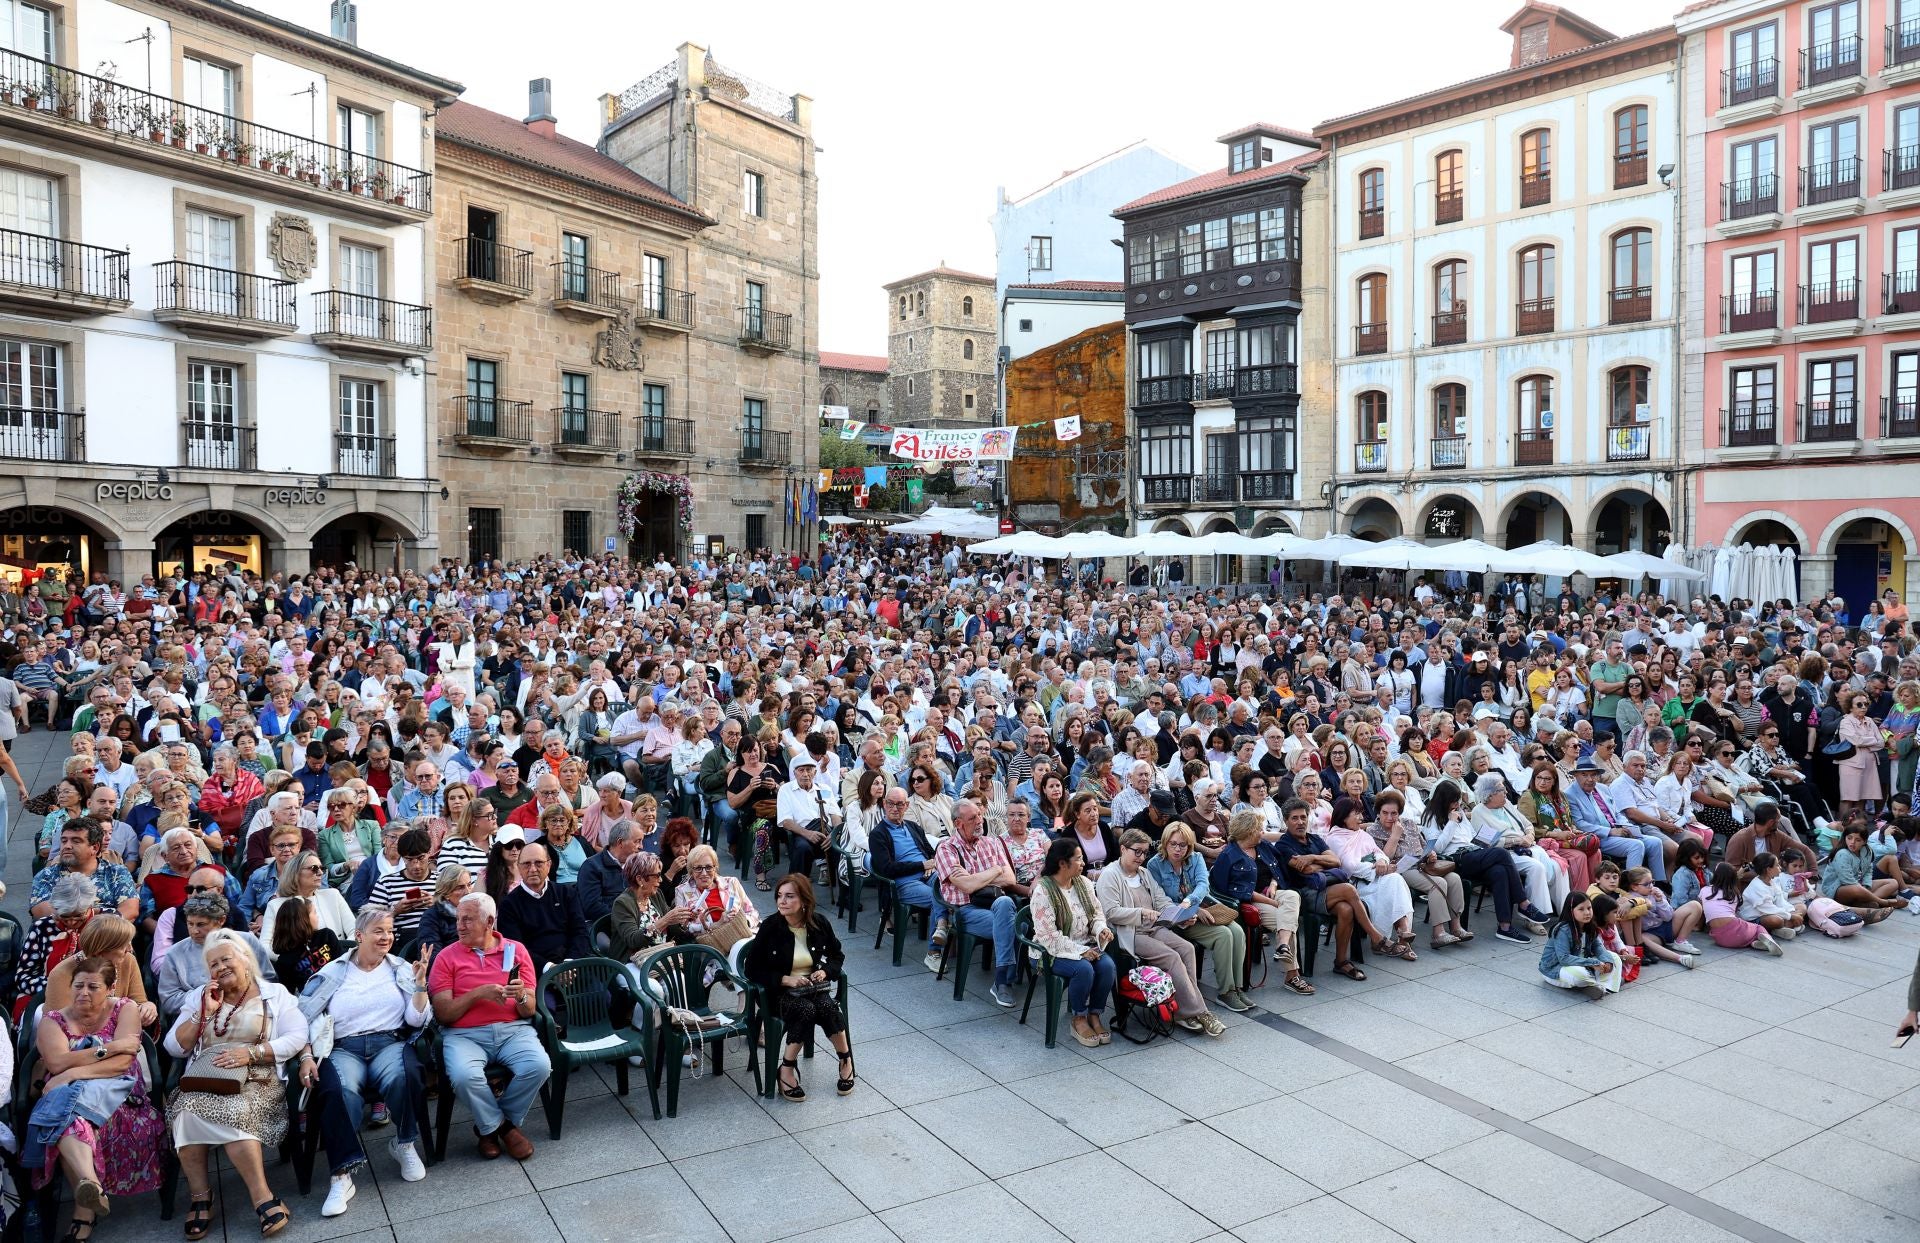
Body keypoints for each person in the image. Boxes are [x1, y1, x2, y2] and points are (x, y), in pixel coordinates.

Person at [163, 929, 307, 1239]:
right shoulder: (200, 997)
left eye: (226, 959)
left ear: (245, 958)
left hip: (258, 1079)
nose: (220, 968)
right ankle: (201, 1196)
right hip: (205, 1080)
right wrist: (203, 1014)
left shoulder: (275, 993)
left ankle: (261, 1196)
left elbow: (297, 1037)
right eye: (213, 964)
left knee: (235, 1109)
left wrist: (252, 1053)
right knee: (184, 1113)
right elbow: (174, 1047)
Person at [296, 906, 431, 1217]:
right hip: (344, 1047)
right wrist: (305, 1056)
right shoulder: (332, 972)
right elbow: (301, 1018)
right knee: (338, 1091)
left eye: (389, 930)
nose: (386, 937)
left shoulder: (400, 968)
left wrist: (421, 985)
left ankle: (404, 1143)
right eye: (378, 931)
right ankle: (341, 1174)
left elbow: (414, 1019)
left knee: (406, 1074)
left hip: (389, 1041)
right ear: (359, 936)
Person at [25, 955, 168, 1243]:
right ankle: (90, 1186)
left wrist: (71, 1072)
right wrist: (110, 1047)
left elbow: (122, 1065)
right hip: (71, 1099)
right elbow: (55, 1063)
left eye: (93, 987)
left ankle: (84, 1209)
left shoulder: (125, 1008)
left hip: (121, 1097)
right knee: (71, 1121)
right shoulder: (52, 1020)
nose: (83, 993)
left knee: (66, 1121)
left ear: (110, 988)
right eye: (78, 986)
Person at [426, 892, 552, 1161]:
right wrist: (477, 994)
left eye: (468, 920)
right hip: (464, 1035)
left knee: (539, 1066)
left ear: (490, 921)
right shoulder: (446, 958)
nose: (459, 925)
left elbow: (529, 1010)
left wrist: (520, 996)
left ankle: (487, 1128)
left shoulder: (515, 950)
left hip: (513, 1031)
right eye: (458, 919)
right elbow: (443, 1014)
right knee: (463, 1076)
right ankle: (505, 1128)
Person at [1096, 828, 1225, 1036]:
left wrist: (1180, 916)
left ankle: (1185, 1009)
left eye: (1145, 852)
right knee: (1171, 956)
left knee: (1186, 948)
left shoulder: (1144, 874)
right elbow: (1110, 913)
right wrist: (1142, 913)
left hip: (1153, 928)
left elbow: (1161, 900)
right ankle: (1200, 1012)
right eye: (1136, 851)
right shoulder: (1110, 876)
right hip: (1129, 934)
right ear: (1122, 849)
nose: (1141, 857)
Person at [742, 874, 855, 1101]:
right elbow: (752, 969)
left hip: (812, 988)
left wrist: (825, 972)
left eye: (789, 896)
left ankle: (845, 1059)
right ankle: (786, 1068)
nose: (782, 901)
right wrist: (785, 979)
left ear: (804, 901)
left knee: (828, 1007)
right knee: (806, 1010)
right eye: (779, 896)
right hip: (779, 994)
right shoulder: (771, 927)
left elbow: (836, 955)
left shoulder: (819, 923)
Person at [1145, 823, 1248, 1009]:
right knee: (1223, 935)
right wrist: (1191, 909)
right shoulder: (1155, 865)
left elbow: (1203, 885)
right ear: (1165, 843)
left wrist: (1191, 904)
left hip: (1197, 911)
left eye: (1183, 845)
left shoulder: (1196, 858)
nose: (1178, 849)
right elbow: (1159, 899)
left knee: (1238, 931)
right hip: (1173, 920)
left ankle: (1237, 987)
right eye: (1173, 844)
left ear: (1190, 845)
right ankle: (1226, 991)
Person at [1210, 810, 1313, 994]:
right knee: (1289, 921)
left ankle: (1282, 945)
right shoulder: (1229, 855)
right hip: (1250, 903)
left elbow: (1279, 869)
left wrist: (1274, 884)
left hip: (1273, 895)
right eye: (1259, 829)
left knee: (1291, 897)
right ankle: (1292, 976)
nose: (1262, 832)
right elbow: (1237, 891)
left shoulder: (1263, 846)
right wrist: (1273, 903)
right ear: (1248, 831)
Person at [1028, 837, 1117, 1048]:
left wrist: (1101, 930)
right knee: (1083, 969)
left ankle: (1094, 1014)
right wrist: (1081, 952)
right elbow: (1049, 937)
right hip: (1049, 951)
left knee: (1107, 966)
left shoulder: (1084, 883)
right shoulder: (1043, 892)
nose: (1083, 863)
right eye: (1078, 859)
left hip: (1083, 945)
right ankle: (1078, 1018)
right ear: (1062, 863)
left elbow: (1095, 914)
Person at [930, 800, 1022, 1004]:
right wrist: (995, 870)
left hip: (995, 903)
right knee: (1015, 923)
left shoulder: (992, 842)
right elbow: (968, 888)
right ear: (958, 823)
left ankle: (1001, 980)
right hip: (965, 911)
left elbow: (1010, 879)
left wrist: (975, 877)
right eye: (972, 818)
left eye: (980, 815)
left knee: (1006, 905)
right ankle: (1004, 980)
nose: (980, 821)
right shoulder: (947, 849)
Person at [158, 891, 273, 1024]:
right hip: (198, 1020)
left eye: (201, 924)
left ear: (221, 920)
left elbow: (268, 979)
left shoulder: (247, 941)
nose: (194, 931)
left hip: (250, 1012)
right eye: (190, 924)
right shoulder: (175, 953)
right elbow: (168, 1000)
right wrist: (205, 995)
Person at [497, 837, 588, 970]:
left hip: (574, 967)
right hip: (535, 972)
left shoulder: (566, 893)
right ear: (518, 867)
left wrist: (570, 962)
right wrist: (549, 968)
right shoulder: (508, 905)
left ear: (549, 865)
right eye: (527, 864)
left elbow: (580, 932)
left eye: (538, 863)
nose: (533, 869)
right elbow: (516, 948)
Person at [609, 850, 694, 966]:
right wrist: (664, 920)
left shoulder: (656, 895)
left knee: (682, 979)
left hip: (660, 957)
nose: (661, 880)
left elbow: (672, 929)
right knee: (654, 985)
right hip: (631, 963)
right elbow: (633, 940)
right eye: (657, 875)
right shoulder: (622, 903)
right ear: (640, 879)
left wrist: (684, 920)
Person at [259, 849, 354, 946]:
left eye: (321, 868)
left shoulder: (333, 895)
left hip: (337, 958)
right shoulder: (275, 905)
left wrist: (340, 952)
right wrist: (291, 958)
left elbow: (355, 931)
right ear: (295, 873)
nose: (320, 873)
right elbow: (264, 945)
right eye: (314, 868)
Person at [1538, 893, 1620, 999]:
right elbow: (1564, 959)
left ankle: (1602, 987)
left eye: (1589, 908)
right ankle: (1600, 983)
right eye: (1581, 909)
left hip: (1582, 963)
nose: (1587, 913)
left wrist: (1608, 961)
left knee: (1614, 958)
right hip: (1557, 969)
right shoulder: (1563, 930)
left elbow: (1599, 948)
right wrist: (1592, 963)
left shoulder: (1590, 926)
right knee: (1580, 974)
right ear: (1571, 911)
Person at [416, 864, 473, 953]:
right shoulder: (432, 917)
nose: (468, 892)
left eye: (469, 885)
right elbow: (430, 956)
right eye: (460, 887)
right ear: (446, 893)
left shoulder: (478, 911)